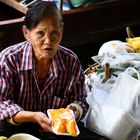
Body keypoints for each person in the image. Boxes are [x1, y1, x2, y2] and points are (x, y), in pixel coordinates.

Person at [0, 1, 107, 140]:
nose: (48, 40)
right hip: (17, 127)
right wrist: (34, 116)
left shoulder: (70, 61)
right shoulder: (9, 59)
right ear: (26, 33)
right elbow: (2, 103)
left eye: (54, 32)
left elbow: (80, 100)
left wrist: (73, 111)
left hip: (56, 130)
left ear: (61, 30)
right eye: (40, 33)